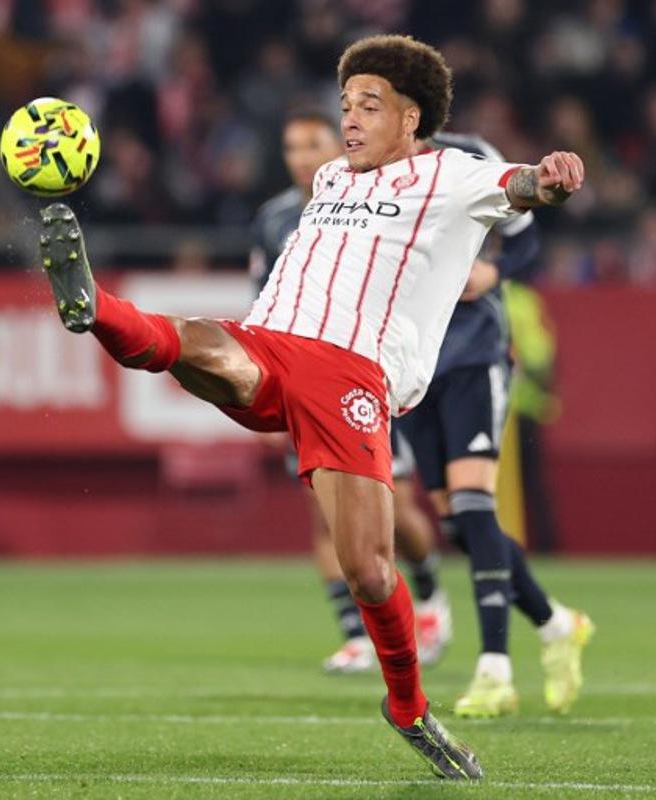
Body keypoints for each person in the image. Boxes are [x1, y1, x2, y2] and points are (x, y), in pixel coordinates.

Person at [39, 34, 586, 780]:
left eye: (370, 106)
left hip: (354, 378)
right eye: (346, 106)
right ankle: (93, 305)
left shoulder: (453, 176)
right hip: (271, 345)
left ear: (411, 118)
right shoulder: (330, 177)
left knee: (367, 570)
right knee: (196, 342)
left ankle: (408, 708)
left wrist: (552, 177)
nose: (351, 121)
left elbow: (523, 188)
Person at [396, 130, 594, 719]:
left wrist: (493, 272)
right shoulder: (367, 171)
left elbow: (527, 243)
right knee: (459, 523)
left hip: (473, 355)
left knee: (475, 506)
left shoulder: (468, 157)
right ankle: (557, 624)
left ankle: (495, 669)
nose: (360, 114)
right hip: (412, 361)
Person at [249, 109, 450, 675]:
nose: (301, 157)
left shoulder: (371, 195)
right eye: (290, 147)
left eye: (311, 144)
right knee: (322, 513)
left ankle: (430, 589)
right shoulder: (272, 219)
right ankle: (354, 633)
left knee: (397, 511)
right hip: (297, 372)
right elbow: (261, 294)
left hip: (360, 371)